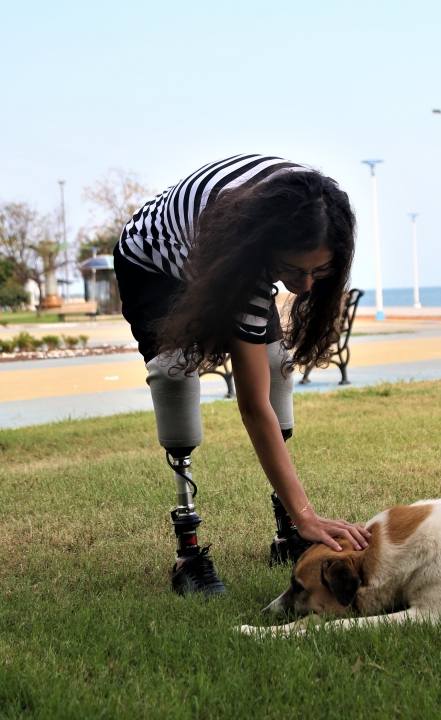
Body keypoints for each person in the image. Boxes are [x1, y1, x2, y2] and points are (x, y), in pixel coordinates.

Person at [114, 154, 372, 596]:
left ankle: (287, 532)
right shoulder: (242, 256)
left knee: (277, 368)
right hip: (152, 264)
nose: (306, 285)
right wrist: (309, 510)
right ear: (267, 249)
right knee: (175, 375)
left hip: (222, 248)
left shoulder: (314, 214)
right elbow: (252, 407)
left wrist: (300, 514)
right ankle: (188, 552)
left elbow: (264, 383)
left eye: (319, 270)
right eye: (293, 271)